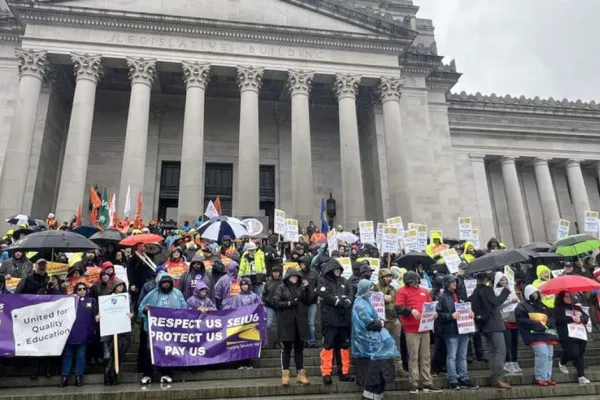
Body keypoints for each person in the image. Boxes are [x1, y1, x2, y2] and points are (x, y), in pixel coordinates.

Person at [395, 271, 441, 393]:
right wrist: (411, 311)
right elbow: (398, 308)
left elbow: (430, 305)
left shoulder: (425, 291)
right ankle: (414, 383)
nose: (415, 283)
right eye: (412, 281)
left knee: (425, 357)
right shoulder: (401, 291)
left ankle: (427, 382)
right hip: (411, 329)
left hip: (425, 328)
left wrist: (434, 313)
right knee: (413, 357)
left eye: (416, 281)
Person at [352, 279, 399, 400]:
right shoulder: (360, 304)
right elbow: (368, 322)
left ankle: (376, 397)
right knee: (373, 377)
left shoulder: (366, 301)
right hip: (367, 344)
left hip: (375, 344)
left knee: (379, 376)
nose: (372, 292)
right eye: (370, 289)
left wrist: (379, 321)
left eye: (373, 290)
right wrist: (380, 323)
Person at [138, 273, 187, 384]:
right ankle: (147, 375)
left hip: (171, 330)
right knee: (150, 351)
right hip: (154, 331)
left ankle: (166, 374)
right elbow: (141, 307)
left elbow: (184, 309)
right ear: (160, 283)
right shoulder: (152, 294)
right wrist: (145, 309)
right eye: (164, 282)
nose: (166, 285)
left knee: (167, 352)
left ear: (171, 283)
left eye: (168, 282)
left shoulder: (177, 294)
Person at [436, 274, 478, 390]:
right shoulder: (442, 297)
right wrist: (451, 315)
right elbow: (438, 314)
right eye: (452, 282)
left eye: (455, 281)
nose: (455, 283)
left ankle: (464, 378)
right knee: (452, 356)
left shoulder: (460, 295)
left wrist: (470, 313)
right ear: (446, 283)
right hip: (451, 330)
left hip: (463, 329)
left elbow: (466, 308)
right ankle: (453, 379)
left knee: (462, 356)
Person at [470, 272, 511, 389]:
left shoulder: (476, 291)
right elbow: (496, 302)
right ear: (486, 279)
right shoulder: (487, 289)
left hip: (485, 325)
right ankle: (497, 377)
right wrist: (506, 291)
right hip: (494, 324)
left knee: (493, 352)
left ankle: (494, 377)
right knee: (500, 351)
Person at [318, 258, 354, 385]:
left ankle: (344, 372)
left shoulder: (344, 281)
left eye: (339, 269)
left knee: (344, 347)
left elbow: (350, 292)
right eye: (335, 270)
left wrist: (348, 300)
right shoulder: (323, 281)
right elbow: (325, 295)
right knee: (328, 346)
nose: (337, 272)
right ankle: (326, 373)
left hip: (343, 320)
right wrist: (338, 301)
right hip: (330, 320)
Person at [273, 267, 311, 386]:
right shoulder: (282, 287)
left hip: (299, 321)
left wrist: (307, 289)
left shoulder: (301, 287)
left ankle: (301, 373)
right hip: (286, 322)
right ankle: (285, 374)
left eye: (296, 276)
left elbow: (308, 300)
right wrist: (289, 303)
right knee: (286, 349)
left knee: (299, 349)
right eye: (292, 276)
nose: (294, 278)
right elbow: (276, 302)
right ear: (288, 277)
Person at [515, 285, 558, 386]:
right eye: (533, 293)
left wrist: (549, 322)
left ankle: (547, 377)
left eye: (536, 293)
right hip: (533, 333)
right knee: (542, 354)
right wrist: (535, 323)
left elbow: (550, 316)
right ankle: (540, 377)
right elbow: (521, 320)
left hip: (545, 333)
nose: (535, 295)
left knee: (549, 355)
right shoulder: (521, 306)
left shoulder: (541, 305)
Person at [60, 283, 99, 388]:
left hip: (84, 334)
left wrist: (96, 318)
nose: (82, 291)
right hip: (70, 334)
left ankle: (78, 377)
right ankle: (64, 377)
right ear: (75, 290)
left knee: (81, 356)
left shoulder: (91, 301)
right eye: (79, 289)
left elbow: (95, 315)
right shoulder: (69, 301)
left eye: (84, 289)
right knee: (68, 356)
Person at [554, 290, 591, 384]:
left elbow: (586, 317)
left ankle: (581, 376)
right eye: (566, 296)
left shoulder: (576, 307)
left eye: (569, 296)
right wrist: (571, 318)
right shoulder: (559, 308)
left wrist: (581, 319)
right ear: (562, 298)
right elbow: (558, 319)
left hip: (580, 334)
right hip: (567, 335)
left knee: (580, 355)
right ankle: (563, 361)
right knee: (573, 353)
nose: (569, 298)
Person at [102, 279, 133, 385]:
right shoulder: (107, 298)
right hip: (112, 332)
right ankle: (109, 375)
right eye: (118, 285)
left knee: (120, 355)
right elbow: (102, 311)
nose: (121, 287)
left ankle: (112, 374)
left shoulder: (126, 298)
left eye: (122, 285)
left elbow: (131, 310)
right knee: (114, 354)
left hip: (124, 331)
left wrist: (131, 315)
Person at [493, 271, 522, 374]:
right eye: (502, 280)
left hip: (514, 317)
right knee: (507, 342)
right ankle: (507, 361)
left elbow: (518, 300)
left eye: (505, 279)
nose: (504, 281)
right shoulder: (496, 291)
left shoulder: (511, 289)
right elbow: (498, 305)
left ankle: (514, 361)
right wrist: (510, 301)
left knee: (515, 341)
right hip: (504, 318)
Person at [377, 268, 404, 375]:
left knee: (396, 345)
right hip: (383, 321)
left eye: (390, 276)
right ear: (381, 278)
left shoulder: (394, 288)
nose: (389, 279)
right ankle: (385, 369)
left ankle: (399, 368)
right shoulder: (375, 288)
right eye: (386, 277)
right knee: (383, 346)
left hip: (394, 320)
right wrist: (382, 298)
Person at [298, 255, 318, 347]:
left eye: (303, 263)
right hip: (301, 301)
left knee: (311, 322)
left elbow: (319, 285)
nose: (301, 265)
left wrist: (315, 291)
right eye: (300, 263)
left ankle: (312, 341)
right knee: (303, 322)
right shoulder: (298, 274)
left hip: (312, 301)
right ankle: (305, 340)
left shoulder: (314, 273)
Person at [262, 264, 282, 331]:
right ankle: (264, 339)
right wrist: (264, 302)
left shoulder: (283, 282)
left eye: (277, 272)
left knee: (280, 324)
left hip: (280, 306)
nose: (275, 273)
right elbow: (264, 294)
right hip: (270, 306)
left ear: (279, 272)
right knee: (268, 324)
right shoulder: (268, 282)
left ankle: (281, 340)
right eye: (274, 272)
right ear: (272, 273)